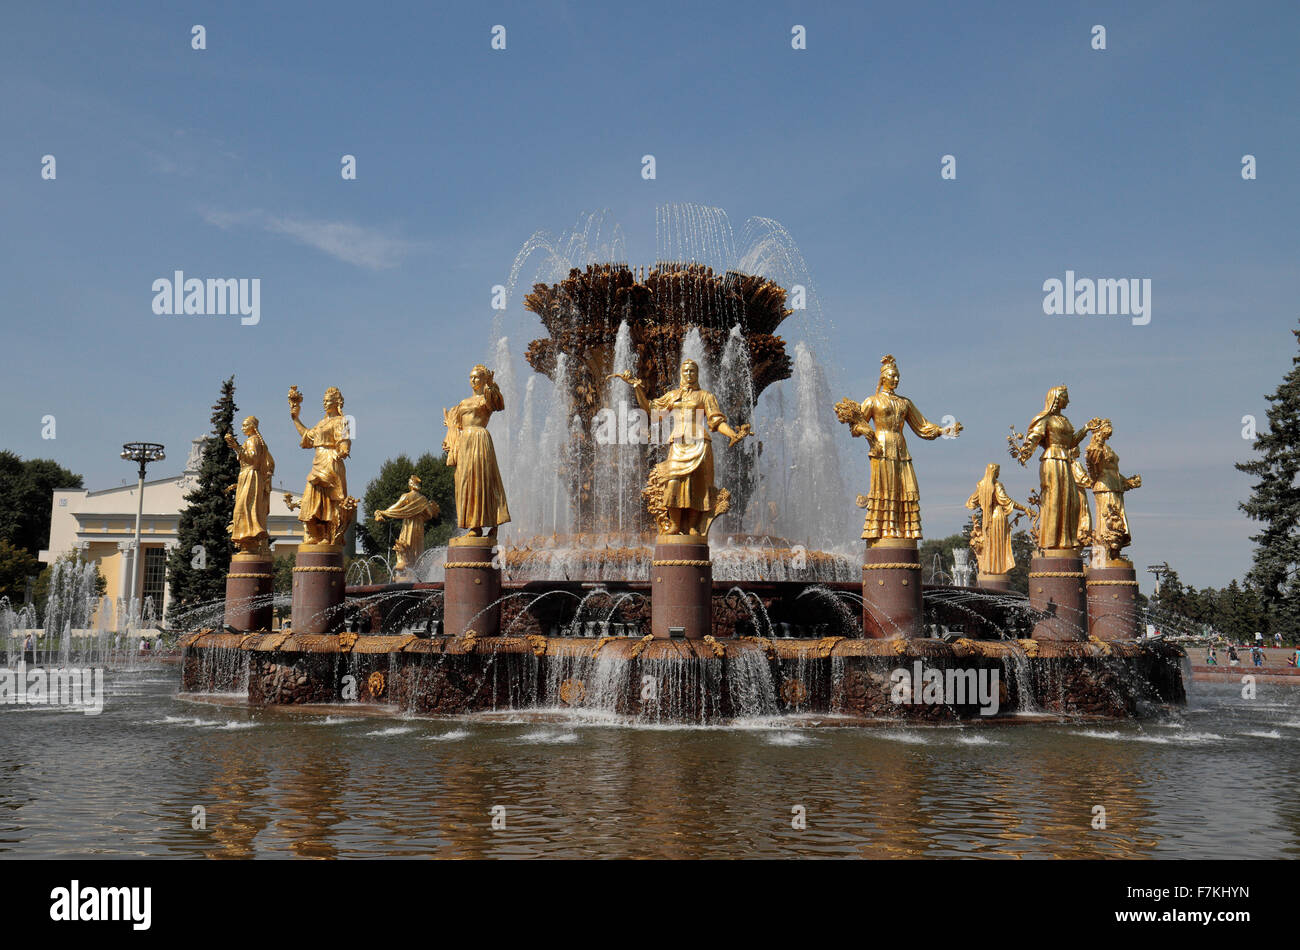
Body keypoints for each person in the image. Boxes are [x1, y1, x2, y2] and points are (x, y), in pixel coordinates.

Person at [1014, 386, 1091, 552]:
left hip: (1065, 460)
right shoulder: (1046, 418)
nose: (1068, 401)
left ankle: (1066, 541)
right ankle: (1051, 541)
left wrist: (1085, 429)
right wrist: (1025, 451)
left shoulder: (1064, 420)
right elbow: (1034, 437)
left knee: (1071, 500)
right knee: (1054, 499)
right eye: (1066, 398)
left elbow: (1071, 443)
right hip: (1051, 460)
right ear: (1057, 398)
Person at [442, 365, 512, 537]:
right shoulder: (463, 403)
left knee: (483, 480)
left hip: (480, 439)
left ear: (483, 380)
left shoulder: (486, 399)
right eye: (471, 377)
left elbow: (498, 403)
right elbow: (454, 425)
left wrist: (491, 384)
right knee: (464, 481)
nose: (473, 380)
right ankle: (474, 524)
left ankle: (489, 524)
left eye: (477, 377)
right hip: (464, 442)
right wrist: (450, 442)